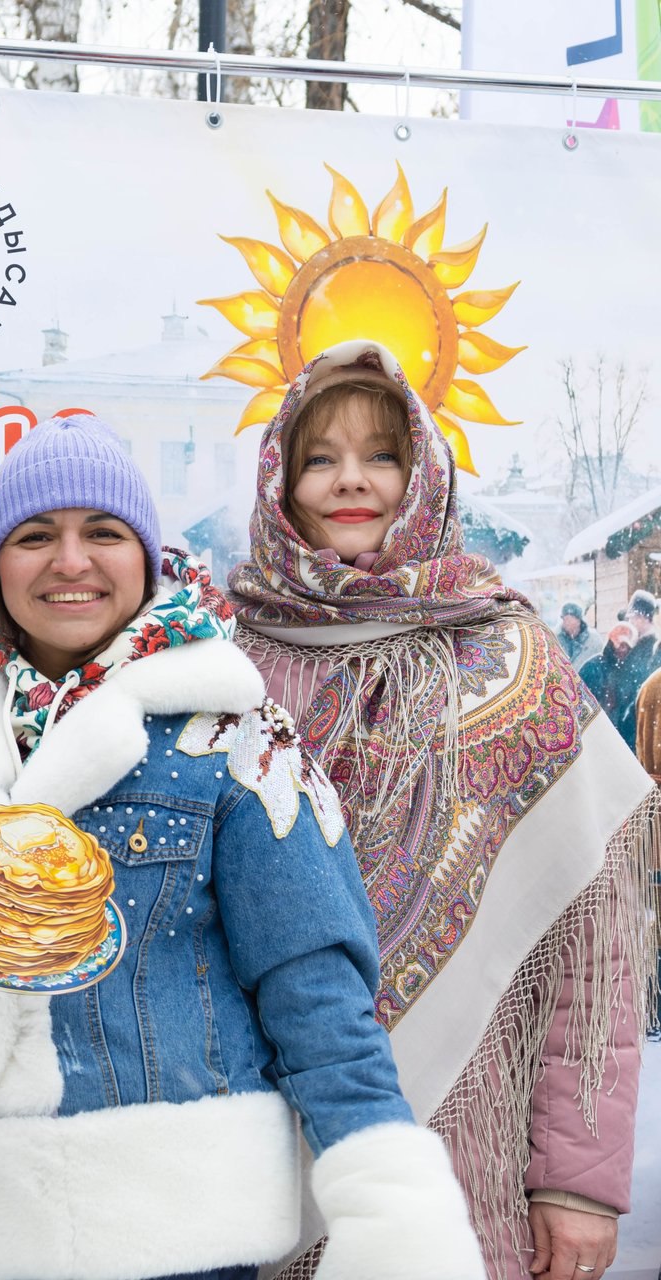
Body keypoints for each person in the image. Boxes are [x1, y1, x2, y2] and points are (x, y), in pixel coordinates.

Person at [0, 414, 480, 1280]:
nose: (71, 561)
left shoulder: (234, 744)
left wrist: (392, 1213)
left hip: (171, 1238)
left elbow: (316, 998)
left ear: (147, 559)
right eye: (36, 534)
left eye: (104, 533)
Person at [229, 341, 656, 1280]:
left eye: (382, 455)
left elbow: (595, 949)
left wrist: (577, 1183)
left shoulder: (512, 659)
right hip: (247, 1159)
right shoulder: (221, 664)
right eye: (318, 457)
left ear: (424, 474)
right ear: (279, 476)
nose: (351, 481)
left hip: (465, 1156)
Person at [556, 602, 602, 667]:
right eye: (564, 619)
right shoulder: (555, 639)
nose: (566, 622)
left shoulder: (594, 640)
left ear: (578, 620)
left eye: (569, 619)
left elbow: (599, 664)